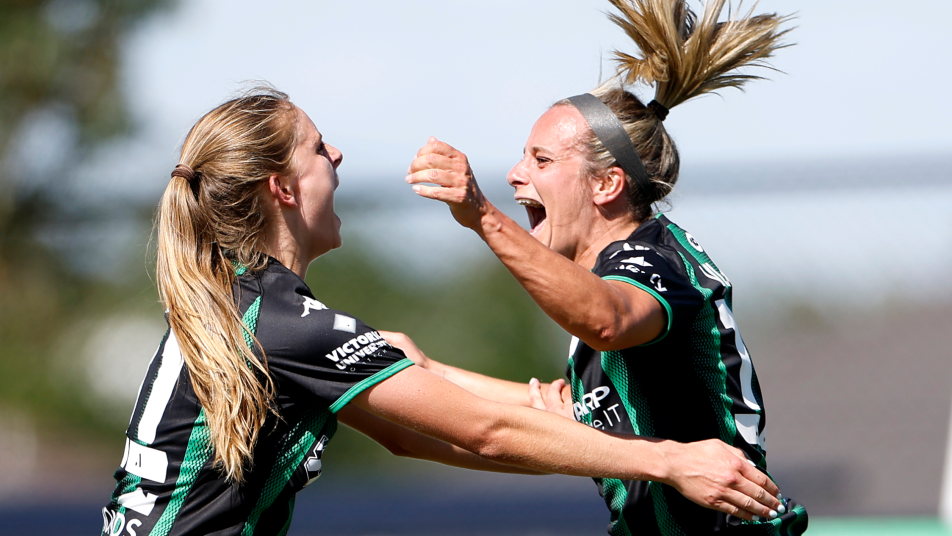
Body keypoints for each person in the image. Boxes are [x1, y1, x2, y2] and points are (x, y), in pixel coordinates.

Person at [99, 86, 783, 536]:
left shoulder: (263, 312)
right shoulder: (283, 323)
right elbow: (487, 430)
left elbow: (425, 434)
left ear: (607, 184)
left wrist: (435, 375)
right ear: (281, 188)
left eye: (539, 158)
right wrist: (665, 461)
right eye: (317, 147)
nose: (336, 153)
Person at [401, 0, 808, 534]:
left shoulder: (654, 260)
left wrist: (481, 215)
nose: (515, 174)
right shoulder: (605, 288)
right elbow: (547, 415)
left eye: (541, 160)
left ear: (606, 184)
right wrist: (421, 370)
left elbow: (608, 320)